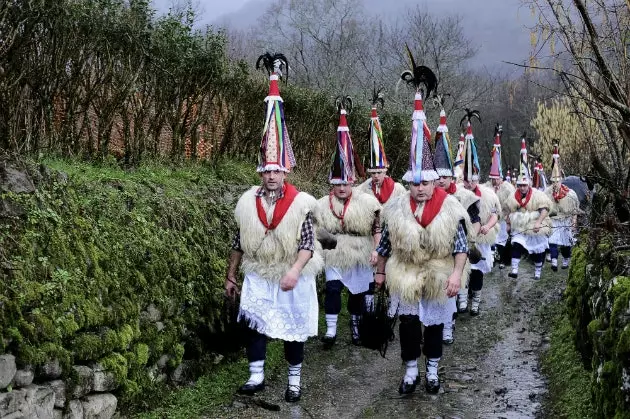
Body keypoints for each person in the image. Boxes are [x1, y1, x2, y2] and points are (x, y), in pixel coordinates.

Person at [225, 56, 323, 403]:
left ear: (285, 172)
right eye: (266, 171)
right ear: (260, 173)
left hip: (289, 272)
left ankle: (294, 381)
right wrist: (232, 275)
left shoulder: (302, 204)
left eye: (276, 171)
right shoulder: (247, 201)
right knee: (255, 323)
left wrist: (296, 271)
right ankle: (256, 376)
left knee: (293, 329)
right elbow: (238, 241)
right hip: (259, 273)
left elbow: (309, 243)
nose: (270, 176)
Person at [376, 67, 471, 394]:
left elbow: (460, 245)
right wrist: (379, 273)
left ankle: (432, 370)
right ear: (409, 181)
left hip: (439, 272)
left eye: (426, 182)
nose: (420, 188)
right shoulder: (397, 206)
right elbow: (386, 243)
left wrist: (457, 275)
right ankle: (410, 371)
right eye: (415, 182)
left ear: (435, 181)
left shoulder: (450, 208)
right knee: (409, 325)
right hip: (405, 271)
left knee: (433, 325)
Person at [314, 97, 381, 348]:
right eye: (338, 184)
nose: (342, 188)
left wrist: (375, 249)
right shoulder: (321, 204)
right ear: (332, 184)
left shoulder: (366, 202)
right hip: (334, 250)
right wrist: (326, 248)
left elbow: (376, 227)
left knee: (357, 293)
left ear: (352, 182)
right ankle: (330, 330)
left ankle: (355, 328)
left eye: (346, 183)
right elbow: (318, 228)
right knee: (332, 289)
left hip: (360, 251)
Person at [432, 109, 479, 341]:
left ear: (452, 177)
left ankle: (449, 326)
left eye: (445, 176)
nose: (441, 180)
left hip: (457, 250)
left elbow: (476, 222)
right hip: (434, 251)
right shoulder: (426, 199)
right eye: (437, 176)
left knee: (452, 289)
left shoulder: (463, 198)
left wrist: (472, 241)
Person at [461, 122, 501, 316]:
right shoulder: (457, 196)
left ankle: (475, 300)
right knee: (461, 269)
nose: (469, 183)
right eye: (466, 180)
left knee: (476, 271)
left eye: (473, 179)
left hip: (480, 238)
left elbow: (495, 214)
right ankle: (461, 298)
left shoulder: (488, 195)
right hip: (461, 239)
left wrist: (488, 226)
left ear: (477, 178)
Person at [505, 137, 552, 280]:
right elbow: (509, 210)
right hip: (520, 226)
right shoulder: (514, 196)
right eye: (520, 185)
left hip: (535, 225)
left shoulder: (537, 195)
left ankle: (537, 271)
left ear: (529, 184)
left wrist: (538, 222)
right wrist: (508, 223)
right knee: (517, 244)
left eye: (524, 185)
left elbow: (544, 209)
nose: (522, 188)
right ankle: (514, 269)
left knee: (537, 250)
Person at [545, 144, 579, 270]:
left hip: (565, 220)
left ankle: (565, 259)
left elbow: (575, 209)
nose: (555, 184)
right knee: (552, 241)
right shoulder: (547, 193)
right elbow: (543, 207)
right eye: (553, 182)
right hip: (553, 220)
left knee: (565, 244)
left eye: (557, 181)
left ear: (561, 181)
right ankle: (554, 261)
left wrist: (574, 221)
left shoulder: (570, 193)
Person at [488, 124, 515, 269]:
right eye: (492, 178)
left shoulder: (508, 188)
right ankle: (494, 258)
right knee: (492, 238)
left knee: (503, 238)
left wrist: (509, 220)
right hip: (491, 218)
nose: (494, 181)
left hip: (504, 217)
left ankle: (505, 260)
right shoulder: (487, 187)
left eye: (496, 178)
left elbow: (511, 205)